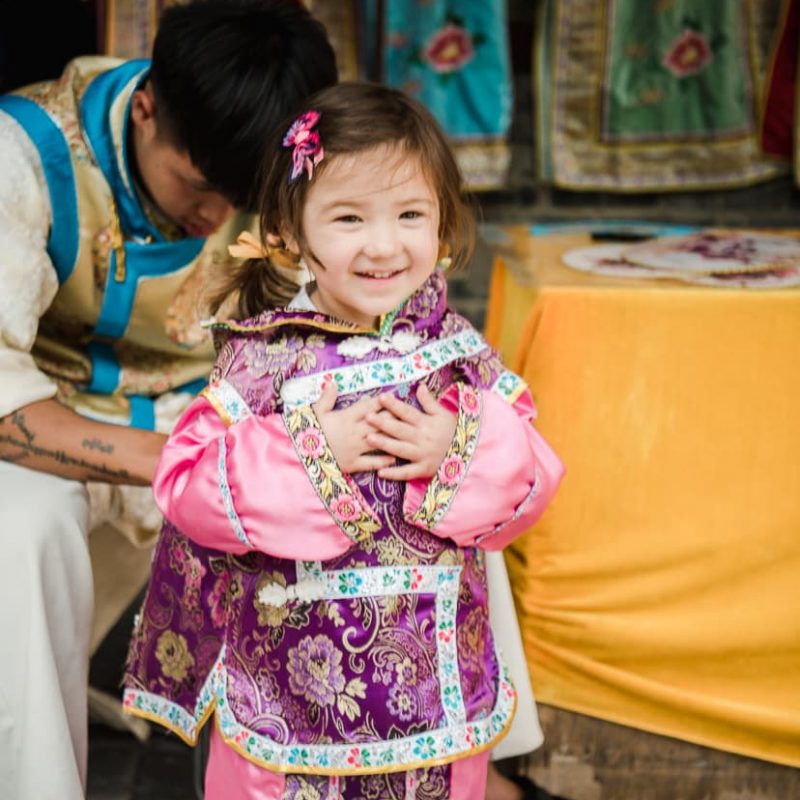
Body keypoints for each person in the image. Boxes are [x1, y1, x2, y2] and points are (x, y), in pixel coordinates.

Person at [123, 81, 565, 800]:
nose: (384, 245)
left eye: (411, 215)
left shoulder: (458, 356)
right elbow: (186, 485)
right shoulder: (264, 358)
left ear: (444, 225)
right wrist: (307, 449)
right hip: (285, 706)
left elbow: (533, 479)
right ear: (292, 232)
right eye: (350, 217)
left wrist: (457, 445)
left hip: (436, 695)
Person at [0, 2, 337, 798]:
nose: (218, 218)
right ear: (146, 106)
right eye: (198, 185)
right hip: (72, 425)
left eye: (242, 197)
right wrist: (183, 464)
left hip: (226, 420)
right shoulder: (23, 153)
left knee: (410, 481)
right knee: (20, 526)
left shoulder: (305, 158)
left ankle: (470, 763)